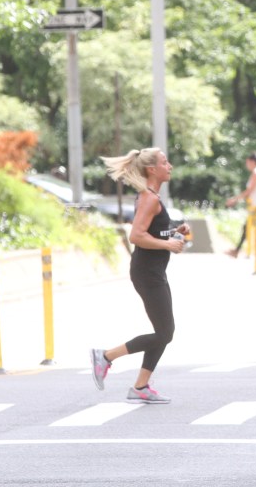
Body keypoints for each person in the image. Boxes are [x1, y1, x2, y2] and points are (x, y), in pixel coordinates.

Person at [90, 147, 188, 404]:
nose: (170, 166)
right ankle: (106, 356)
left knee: (165, 331)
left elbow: (151, 232)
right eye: (165, 162)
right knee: (165, 333)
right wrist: (168, 244)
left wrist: (174, 232)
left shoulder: (151, 196)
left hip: (153, 271)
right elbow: (137, 236)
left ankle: (141, 386)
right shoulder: (149, 198)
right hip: (147, 273)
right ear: (152, 169)